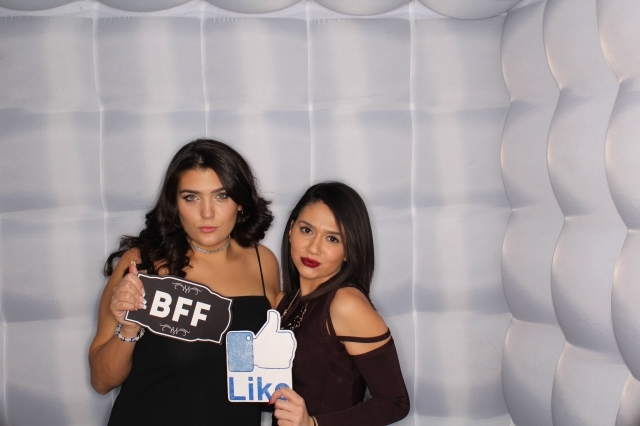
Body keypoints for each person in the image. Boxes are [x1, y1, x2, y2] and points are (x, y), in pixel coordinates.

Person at [89, 139, 280, 425]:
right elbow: (101, 381)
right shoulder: (142, 263)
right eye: (191, 197)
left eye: (221, 196)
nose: (207, 213)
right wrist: (128, 329)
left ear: (240, 202)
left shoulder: (263, 262)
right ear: (174, 204)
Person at [269, 182, 410, 426]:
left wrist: (312, 424)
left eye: (332, 238)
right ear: (291, 230)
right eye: (306, 230)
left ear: (348, 250)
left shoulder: (345, 303)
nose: (314, 248)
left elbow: (395, 402)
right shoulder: (285, 302)